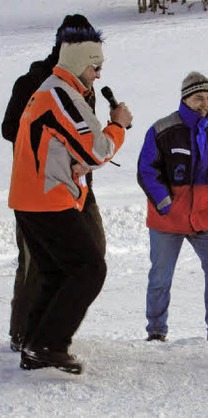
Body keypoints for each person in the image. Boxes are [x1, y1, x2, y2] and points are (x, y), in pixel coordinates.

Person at [8, 27, 133, 374]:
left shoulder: (53, 91)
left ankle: (35, 343)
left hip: (32, 196)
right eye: (95, 66)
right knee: (90, 269)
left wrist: (81, 160)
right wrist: (118, 125)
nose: (99, 73)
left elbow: (71, 147)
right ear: (80, 63)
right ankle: (48, 345)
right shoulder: (61, 94)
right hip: (47, 199)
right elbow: (97, 147)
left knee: (54, 272)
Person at [1, 15, 107, 354]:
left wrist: (79, 154)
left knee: (91, 252)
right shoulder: (35, 80)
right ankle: (27, 336)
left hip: (78, 185)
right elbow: (10, 129)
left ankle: (47, 333)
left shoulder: (82, 82)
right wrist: (51, 150)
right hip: (40, 187)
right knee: (39, 263)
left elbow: (85, 136)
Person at [137, 71, 208, 344]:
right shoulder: (162, 130)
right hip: (167, 220)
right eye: (199, 98)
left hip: (205, 217)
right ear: (185, 98)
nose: (205, 103)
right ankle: (156, 332)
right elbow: (146, 171)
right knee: (160, 278)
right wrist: (165, 203)